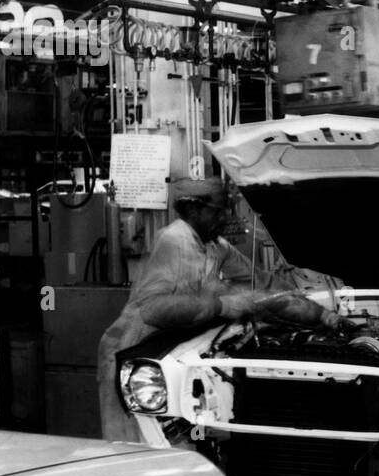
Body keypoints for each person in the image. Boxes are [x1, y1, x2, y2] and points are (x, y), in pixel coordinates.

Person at [96, 175, 339, 442]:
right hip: (134, 351)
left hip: (173, 348)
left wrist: (314, 307)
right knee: (134, 443)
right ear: (193, 209)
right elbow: (154, 309)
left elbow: (262, 280)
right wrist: (221, 304)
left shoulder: (215, 246)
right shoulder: (173, 241)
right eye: (219, 211)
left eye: (228, 209)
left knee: (176, 437)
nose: (226, 218)